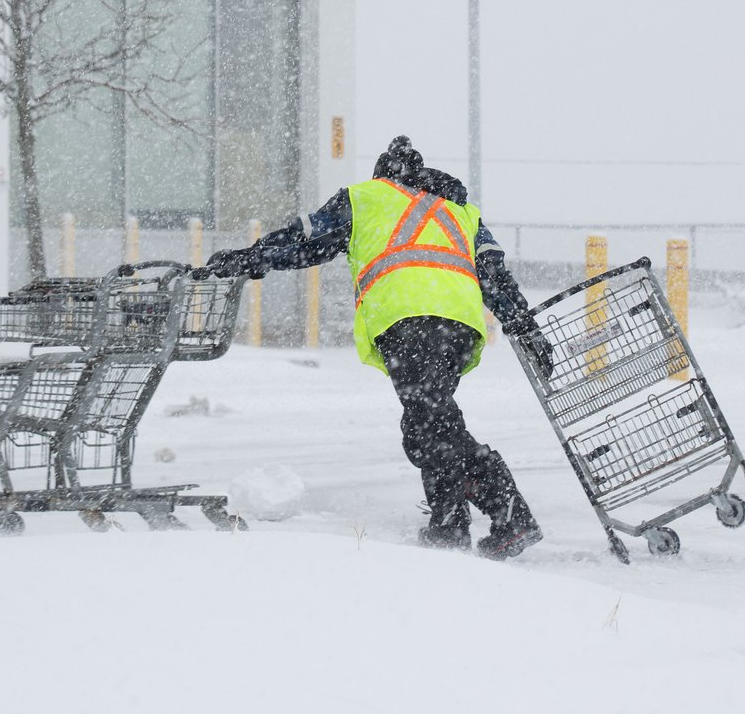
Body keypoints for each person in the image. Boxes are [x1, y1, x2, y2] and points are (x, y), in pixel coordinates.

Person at [207, 136, 555, 560]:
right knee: (428, 423)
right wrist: (526, 328)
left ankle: (508, 514)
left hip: (409, 321)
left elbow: (305, 241)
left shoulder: (365, 198)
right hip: (458, 327)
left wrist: (250, 258)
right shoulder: (461, 210)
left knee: (433, 426)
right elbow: (496, 276)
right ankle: (449, 523)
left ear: (382, 174)